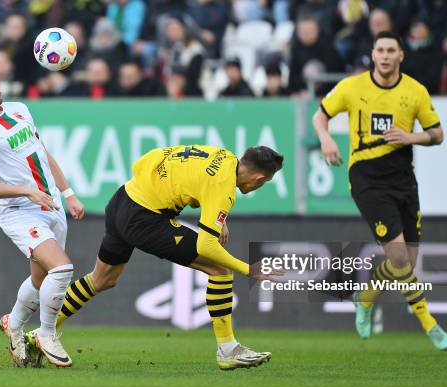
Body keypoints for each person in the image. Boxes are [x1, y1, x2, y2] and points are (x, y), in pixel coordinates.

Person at [26, 144, 284, 370]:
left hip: (122, 200)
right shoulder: (223, 187)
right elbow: (206, 245)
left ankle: (41, 333)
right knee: (221, 270)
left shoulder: (223, 156)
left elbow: (155, 162)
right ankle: (228, 349)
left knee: (101, 279)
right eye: (263, 183)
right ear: (259, 178)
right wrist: (248, 269)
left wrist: (219, 219)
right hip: (144, 219)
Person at [312, 31, 447, 351]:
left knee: (406, 262)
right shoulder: (353, 86)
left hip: (403, 178)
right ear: (373, 55)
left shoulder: (415, 91)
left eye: (392, 50)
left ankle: (365, 298)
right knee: (400, 257)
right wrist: (326, 139)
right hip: (366, 179)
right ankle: (429, 324)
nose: (386, 56)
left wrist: (410, 137)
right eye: (381, 50)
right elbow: (319, 116)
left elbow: (438, 133)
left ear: (401, 55)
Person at [0, 57, 85, 368]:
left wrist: (68, 193)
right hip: (20, 210)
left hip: (51, 205)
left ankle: (13, 326)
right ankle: (46, 333)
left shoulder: (20, 109)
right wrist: (25, 190)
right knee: (62, 269)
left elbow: (42, 153)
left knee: (40, 281)